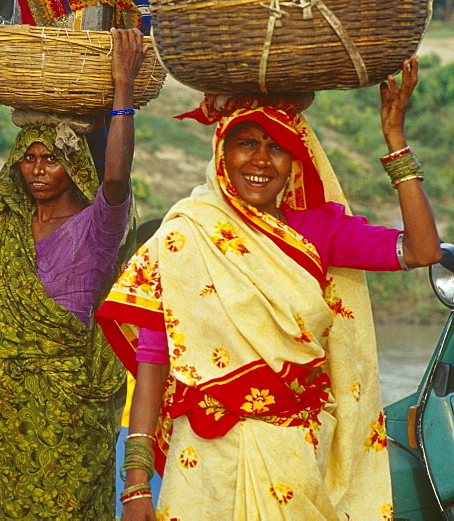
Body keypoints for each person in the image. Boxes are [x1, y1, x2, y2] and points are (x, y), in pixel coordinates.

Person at [97, 58, 439, 520]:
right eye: (247, 143)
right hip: (202, 459)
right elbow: (156, 357)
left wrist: (395, 143)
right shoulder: (186, 233)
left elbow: (422, 251)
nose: (260, 160)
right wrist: (136, 483)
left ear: (295, 161)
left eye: (277, 148)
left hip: (293, 457)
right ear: (222, 152)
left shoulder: (317, 230)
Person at [0, 20, 143, 519]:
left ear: (72, 165)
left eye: (50, 158)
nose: (37, 169)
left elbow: (116, 173)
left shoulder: (99, 224)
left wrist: (123, 86)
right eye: (28, 158)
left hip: (65, 404)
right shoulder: (8, 213)